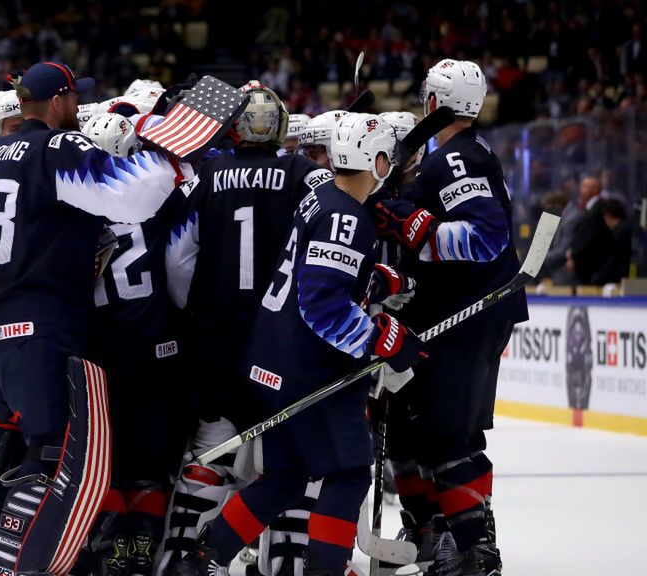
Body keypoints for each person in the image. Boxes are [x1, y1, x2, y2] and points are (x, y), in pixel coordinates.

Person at [0, 61, 192, 576]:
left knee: (4, 451)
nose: (78, 107)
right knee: (56, 459)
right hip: (37, 331)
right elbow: (129, 196)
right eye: (75, 98)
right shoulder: (56, 148)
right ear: (60, 101)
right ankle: (21, 566)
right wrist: (173, 158)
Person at [170, 113, 425, 576]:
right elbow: (323, 308)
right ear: (375, 159)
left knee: (286, 476)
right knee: (348, 472)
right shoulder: (346, 216)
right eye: (388, 155)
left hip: (269, 361)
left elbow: (314, 275)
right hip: (308, 372)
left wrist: (372, 280)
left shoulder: (321, 198)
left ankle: (202, 557)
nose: (393, 163)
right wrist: (384, 339)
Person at [160, 81, 332, 573]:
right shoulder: (306, 175)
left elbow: (176, 261)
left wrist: (197, 311)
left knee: (211, 451)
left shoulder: (203, 176)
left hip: (216, 343)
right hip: (284, 347)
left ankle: (183, 560)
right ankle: (287, 562)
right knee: (291, 459)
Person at [371, 59, 528, 576]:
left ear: (435, 102)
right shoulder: (450, 154)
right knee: (414, 432)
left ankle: (473, 548)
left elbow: (485, 239)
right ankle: (429, 531)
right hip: (450, 314)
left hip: (467, 317)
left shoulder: (458, 158)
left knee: (448, 434)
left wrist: (415, 226)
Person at [81, 112, 189, 576]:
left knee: (108, 463)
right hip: (157, 344)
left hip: (102, 351)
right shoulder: (159, 197)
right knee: (151, 463)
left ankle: (111, 548)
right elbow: (181, 264)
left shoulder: (77, 205)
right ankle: (142, 548)